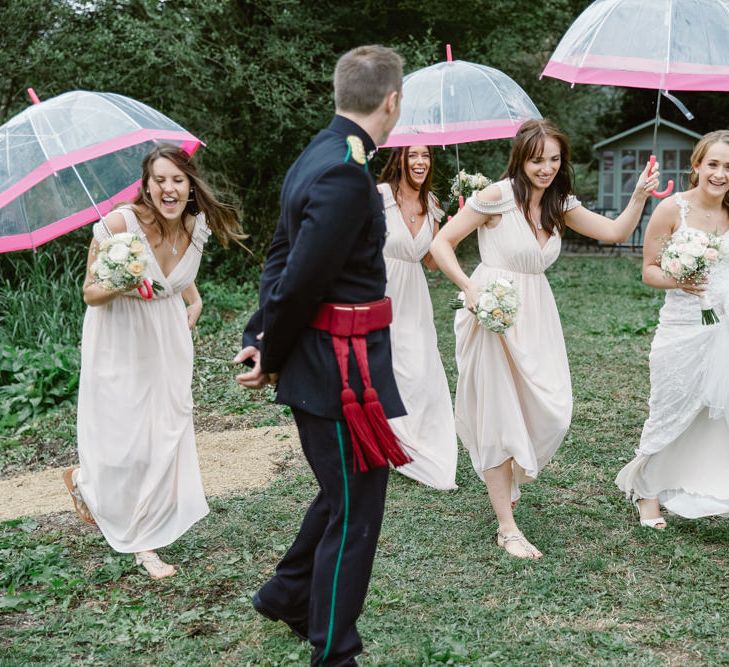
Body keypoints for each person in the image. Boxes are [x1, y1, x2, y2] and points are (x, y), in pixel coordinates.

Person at [233, 45, 405, 665]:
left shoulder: (320, 151)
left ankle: (284, 594)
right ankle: (334, 650)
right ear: (392, 101)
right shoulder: (344, 170)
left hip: (333, 360)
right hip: (339, 370)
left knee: (344, 493)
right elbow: (300, 275)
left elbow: (280, 256)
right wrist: (268, 350)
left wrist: (260, 335)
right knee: (355, 510)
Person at [430, 119, 660, 559]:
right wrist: (470, 289)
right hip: (492, 313)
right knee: (499, 412)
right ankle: (507, 527)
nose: (547, 168)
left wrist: (638, 197)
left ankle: (511, 477)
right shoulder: (495, 197)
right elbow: (443, 244)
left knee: (552, 410)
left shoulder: (559, 204)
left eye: (554, 159)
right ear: (521, 158)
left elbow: (614, 233)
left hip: (537, 315)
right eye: (538, 160)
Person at [64, 144, 245, 579]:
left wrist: (194, 305)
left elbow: (185, 283)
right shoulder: (118, 224)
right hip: (119, 337)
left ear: (189, 185)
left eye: (176, 180)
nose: (168, 188)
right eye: (159, 180)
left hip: (167, 341)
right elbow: (90, 293)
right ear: (146, 186)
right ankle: (119, 518)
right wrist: (123, 282)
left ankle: (133, 523)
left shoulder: (195, 225)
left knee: (164, 432)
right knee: (125, 438)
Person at [616, 130, 729, 527]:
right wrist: (680, 280)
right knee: (669, 406)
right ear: (696, 165)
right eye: (713, 164)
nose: (720, 174)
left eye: (728, 167)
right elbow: (649, 270)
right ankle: (646, 491)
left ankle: (708, 483)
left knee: (716, 414)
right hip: (682, 326)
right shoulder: (671, 210)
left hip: (724, 326)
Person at [376, 146, 458, 490]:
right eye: (413, 156)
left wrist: (453, 232)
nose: (420, 162)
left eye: (425, 156)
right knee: (391, 368)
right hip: (380, 290)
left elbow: (431, 262)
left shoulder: (433, 204)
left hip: (415, 297)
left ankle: (420, 443)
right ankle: (390, 443)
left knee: (421, 370)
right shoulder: (378, 196)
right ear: (400, 159)